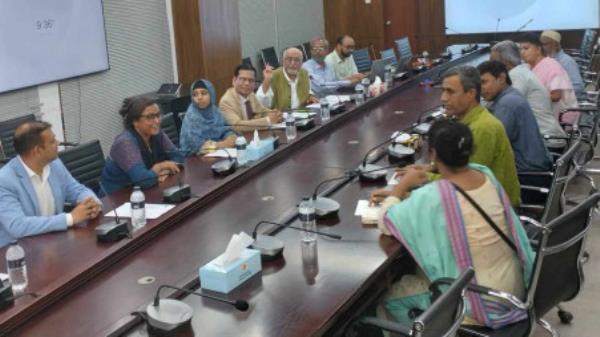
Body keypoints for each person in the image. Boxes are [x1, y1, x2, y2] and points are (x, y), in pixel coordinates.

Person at [369, 119, 534, 328]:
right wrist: (431, 169)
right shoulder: (485, 175)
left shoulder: (434, 196)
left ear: (433, 153)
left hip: (480, 302)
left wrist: (401, 187)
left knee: (389, 296)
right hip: (514, 288)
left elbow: (386, 219)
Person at [0, 121, 102, 247]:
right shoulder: (4, 180)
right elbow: (18, 226)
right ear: (37, 151)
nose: (58, 143)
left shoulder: (54, 164)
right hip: (18, 251)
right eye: (53, 141)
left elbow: (77, 190)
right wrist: (70, 218)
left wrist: (91, 203)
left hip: (53, 241)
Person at [434, 66, 521, 206]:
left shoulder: (482, 128)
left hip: (495, 210)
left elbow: (465, 183)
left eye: (450, 92)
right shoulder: (469, 121)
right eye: (443, 91)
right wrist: (431, 168)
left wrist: (422, 178)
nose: (443, 98)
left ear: (471, 94)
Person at [477, 60, 552, 173]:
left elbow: (493, 146)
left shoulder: (507, 103)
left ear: (501, 78)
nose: (480, 89)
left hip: (527, 172)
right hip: (535, 166)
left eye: (484, 82)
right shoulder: (511, 94)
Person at [491, 40, 566, 150]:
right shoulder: (522, 71)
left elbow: (507, 106)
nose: (488, 66)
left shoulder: (516, 76)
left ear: (505, 63)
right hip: (550, 136)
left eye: (492, 61)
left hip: (545, 141)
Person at [101, 96, 183, 194]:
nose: (157, 121)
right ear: (135, 121)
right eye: (150, 117)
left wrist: (166, 171)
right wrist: (161, 166)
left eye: (158, 115)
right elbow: (143, 181)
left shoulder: (157, 133)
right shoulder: (125, 143)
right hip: (116, 198)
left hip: (144, 191)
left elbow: (179, 157)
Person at [519, 33, 578, 125]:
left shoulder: (552, 65)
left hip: (559, 118)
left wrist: (529, 98)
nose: (522, 52)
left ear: (538, 49)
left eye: (526, 48)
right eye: (520, 49)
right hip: (539, 115)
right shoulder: (526, 67)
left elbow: (556, 96)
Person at [219, 64, 283, 133]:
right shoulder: (226, 101)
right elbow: (237, 126)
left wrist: (275, 114)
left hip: (255, 136)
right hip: (238, 139)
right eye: (243, 79)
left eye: (251, 80)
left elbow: (262, 111)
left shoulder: (251, 94)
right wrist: (268, 120)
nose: (247, 83)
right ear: (234, 80)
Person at [180, 79, 237, 156]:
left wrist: (230, 137)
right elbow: (198, 147)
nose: (199, 97)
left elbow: (226, 129)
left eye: (203, 93)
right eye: (195, 94)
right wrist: (222, 144)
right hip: (194, 160)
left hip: (218, 154)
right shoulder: (192, 118)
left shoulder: (215, 111)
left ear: (211, 94)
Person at [540, 30, 585, 98]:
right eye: (541, 44)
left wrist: (558, 93)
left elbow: (578, 86)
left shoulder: (567, 61)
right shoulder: (544, 60)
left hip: (563, 103)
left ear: (555, 44)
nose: (542, 47)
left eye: (545, 44)